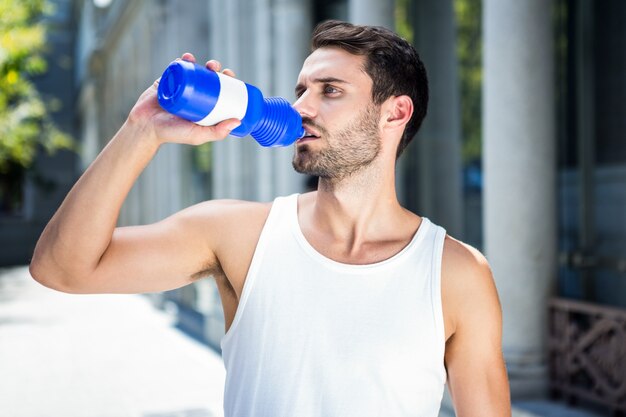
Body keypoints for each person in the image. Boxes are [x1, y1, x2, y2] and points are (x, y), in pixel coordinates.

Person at [30, 20, 511, 417]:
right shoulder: (238, 235)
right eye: (301, 89)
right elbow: (60, 268)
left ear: (394, 113)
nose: (301, 106)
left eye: (330, 91)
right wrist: (142, 131)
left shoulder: (457, 274)